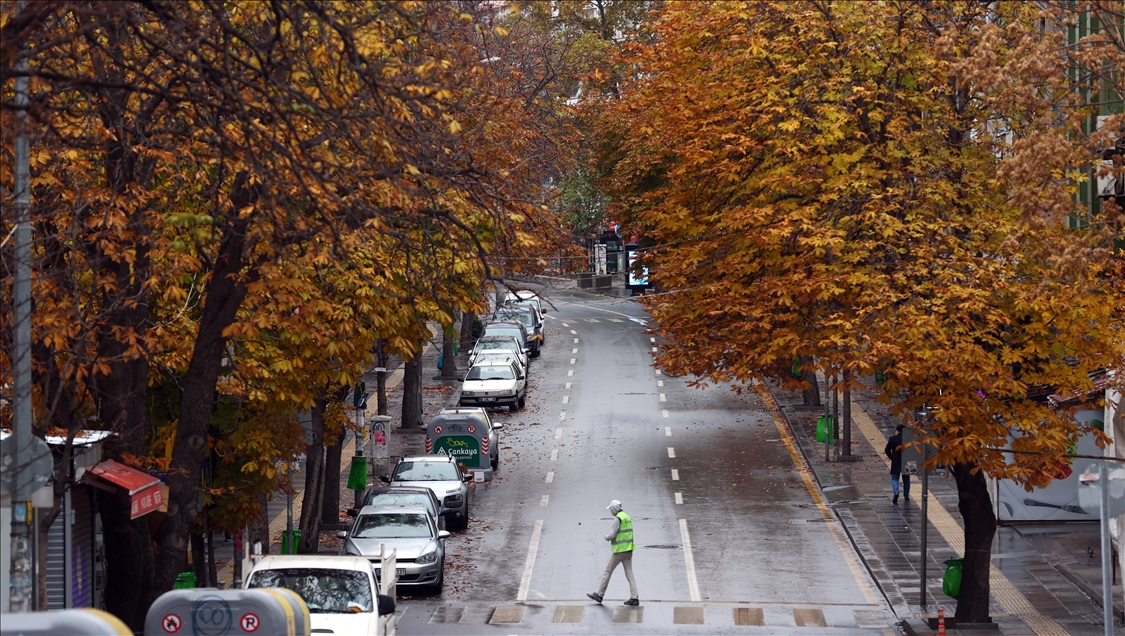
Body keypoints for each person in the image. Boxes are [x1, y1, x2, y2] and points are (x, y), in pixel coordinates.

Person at [587, 499, 639, 606]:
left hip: (619, 551)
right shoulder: (627, 517)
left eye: (611, 509)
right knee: (630, 574)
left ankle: (600, 595)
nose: (610, 511)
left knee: (608, 571)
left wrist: (606, 537)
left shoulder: (618, 518)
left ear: (614, 509)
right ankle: (635, 597)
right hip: (629, 550)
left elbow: (613, 534)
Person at [885, 425, 910, 504]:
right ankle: (906, 495)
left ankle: (896, 492)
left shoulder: (893, 439)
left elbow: (887, 450)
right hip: (908, 461)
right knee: (906, 479)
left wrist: (892, 457)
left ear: (897, 431)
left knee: (895, 478)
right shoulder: (909, 439)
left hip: (896, 461)